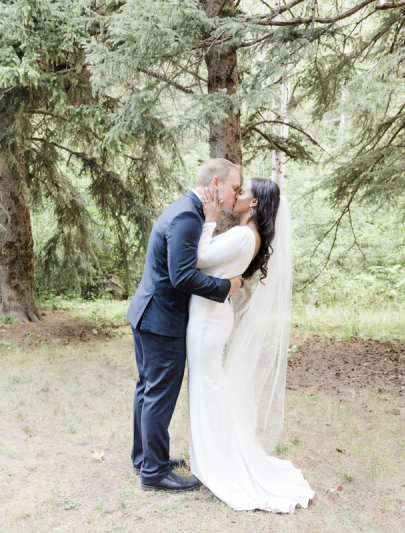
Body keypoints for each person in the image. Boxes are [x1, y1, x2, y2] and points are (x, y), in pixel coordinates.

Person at [186, 177, 315, 512]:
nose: (238, 195)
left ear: (254, 204)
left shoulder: (245, 234)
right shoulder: (249, 235)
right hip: (212, 315)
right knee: (210, 389)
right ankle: (213, 455)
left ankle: (218, 461)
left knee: (208, 389)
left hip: (208, 320)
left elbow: (199, 259)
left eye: (243, 193)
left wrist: (209, 219)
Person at [126, 158, 244, 492]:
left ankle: (144, 457)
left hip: (149, 314)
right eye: (234, 187)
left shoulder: (187, 209)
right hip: (161, 320)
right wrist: (226, 287)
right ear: (216, 184)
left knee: (147, 390)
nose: (235, 194)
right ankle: (154, 472)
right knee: (158, 395)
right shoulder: (188, 216)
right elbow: (182, 277)